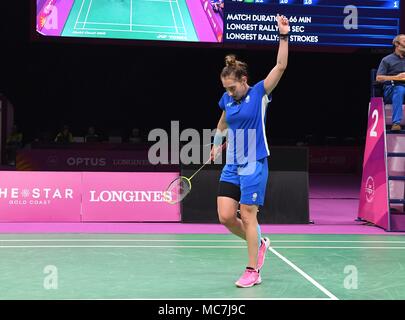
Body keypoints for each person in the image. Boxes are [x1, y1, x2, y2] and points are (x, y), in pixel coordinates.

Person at [211, 14, 289, 288]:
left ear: (244, 80)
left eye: (232, 87)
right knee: (224, 215)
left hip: (254, 163)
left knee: (247, 214)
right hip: (232, 163)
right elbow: (223, 121)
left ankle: (252, 270)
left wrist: (283, 35)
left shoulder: (259, 93)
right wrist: (215, 144)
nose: (229, 93)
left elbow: (280, 66)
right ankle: (259, 242)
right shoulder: (227, 99)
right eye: (226, 89)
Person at [376, 34, 405, 131]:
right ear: (397, 44)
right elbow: (378, 78)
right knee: (400, 89)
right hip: (391, 90)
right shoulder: (387, 60)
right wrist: (396, 77)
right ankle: (396, 123)